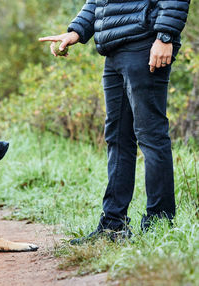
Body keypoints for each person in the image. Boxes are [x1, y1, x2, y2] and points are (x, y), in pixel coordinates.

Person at [39, 0, 190, 244]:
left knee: (151, 136)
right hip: (115, 50)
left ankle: (160, 225)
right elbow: (98, 3)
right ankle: (113, 225)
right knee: (117, 139)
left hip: (145, 43)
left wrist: (165, 36)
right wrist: (75, 31)